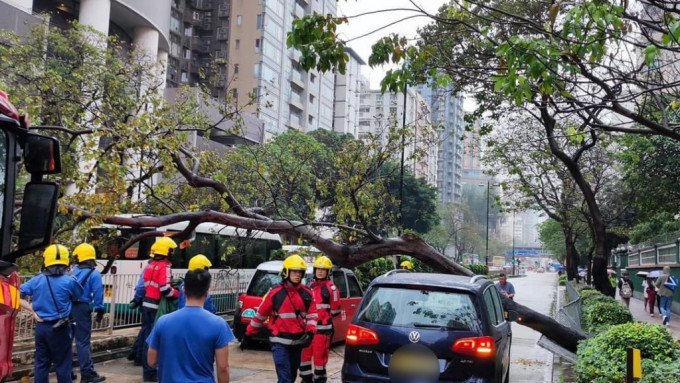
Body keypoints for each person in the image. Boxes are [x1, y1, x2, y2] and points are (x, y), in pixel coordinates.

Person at [147, 269, 234, 383]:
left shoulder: (163, 322)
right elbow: (222, 367)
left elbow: (151, 361)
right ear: (207, 293)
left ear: (183, 290)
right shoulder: (218, 324)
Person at [244, 254, 317, 383]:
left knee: (292, 376)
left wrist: (311, 332)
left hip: (297, 343)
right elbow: (260, 314)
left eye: (300, 272)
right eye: (294, 271)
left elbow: (312, 315)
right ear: (286, 272)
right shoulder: (275, 293)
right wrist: (249, 333)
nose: (297, 275)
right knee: (285, 379)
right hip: (279, 343)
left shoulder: (307, 294)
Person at [19, 245, 83, 383]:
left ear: (46, 260)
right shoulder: (69, 281)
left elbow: (17, 295)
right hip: (60, 328)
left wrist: (33, 312)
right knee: (63, 365)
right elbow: (78, 295)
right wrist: (72, 275)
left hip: (41, 327)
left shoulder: (36, 280)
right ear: (66, 261)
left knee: (41, 364)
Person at [141, 237, 179, 382]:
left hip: (147, 304)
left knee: (147, 337)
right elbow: (165, 289)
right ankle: (152, 371)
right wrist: (178, 293)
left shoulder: (150, 265)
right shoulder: (165, 266)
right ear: (168, 252)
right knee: (156, 339)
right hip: (157, 307)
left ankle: (147, 371)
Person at [299, 256, 340, 383]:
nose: (320, 272)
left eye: (323, 269)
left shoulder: (332, 288)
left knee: (319, 359)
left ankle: (320, 380)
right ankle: (305, 379)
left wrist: (323, 317)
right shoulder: (310, 285)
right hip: (309, 329)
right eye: (318, 269)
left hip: (323, 331)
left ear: (328, 272)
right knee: (304, 356)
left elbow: (335, 311)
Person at [70, 243, 106, 383]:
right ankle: (87, 373)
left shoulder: (72, 271)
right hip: (82, 308)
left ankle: (68, 371)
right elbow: (98, 293)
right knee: (82, 343)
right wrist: (100, 309)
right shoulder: (94, 274)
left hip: (68, 307)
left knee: (67, 340)